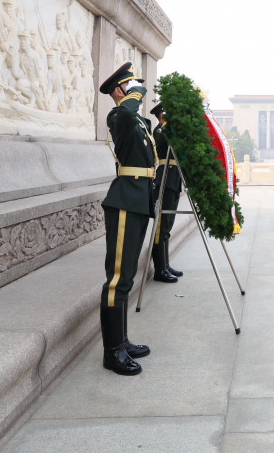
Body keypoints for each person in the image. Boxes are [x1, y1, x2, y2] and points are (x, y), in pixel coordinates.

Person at [97, 62, 155, 375]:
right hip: (124, 201)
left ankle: (123, 340)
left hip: (138, 200)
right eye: (131, 86)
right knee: (117, 278)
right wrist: (134, 95)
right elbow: (129, 112)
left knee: (128, 276)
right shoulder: (119, 115)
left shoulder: (139, 122)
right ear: (120, 90)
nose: (138, 92)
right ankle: (112, 351)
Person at [150, 102, 183, 283]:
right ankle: (159, 269)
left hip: (173, 179)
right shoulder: (159, 131)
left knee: (168, 225)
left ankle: (166, 264)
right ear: (162, 114)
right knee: (160, 226)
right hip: (164, 179)